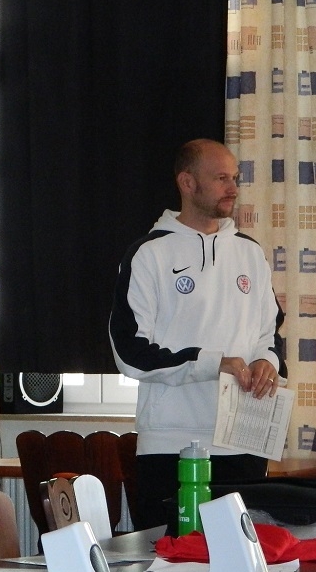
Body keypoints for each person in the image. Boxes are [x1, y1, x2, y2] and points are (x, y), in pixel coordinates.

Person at [109, 138, 286, 531]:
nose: (233, 188)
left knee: (243, 561)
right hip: (172, 446)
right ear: (187, 183)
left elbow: (269, 333)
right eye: (222, 178)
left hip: (244, 442)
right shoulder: (149, 254)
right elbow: (130, 351)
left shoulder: (250, 253)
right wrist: (213, 363)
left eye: (235, 178)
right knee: (171, 560)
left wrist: (267, 361)